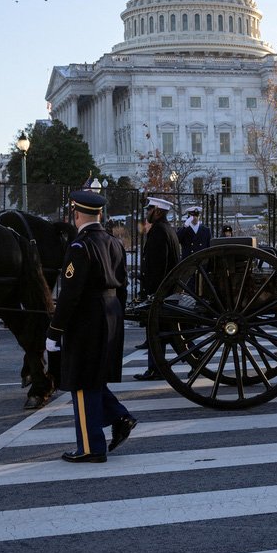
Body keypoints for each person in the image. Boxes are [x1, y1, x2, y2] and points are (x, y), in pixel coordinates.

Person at [45, 190, 135, 463]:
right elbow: (123, 286)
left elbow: (70, 295)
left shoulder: (79, 247)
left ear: (77, 214)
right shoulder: (113, 242)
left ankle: (91, 447)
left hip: (86, 319)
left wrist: (54, 331)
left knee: (81, 380)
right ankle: (119, 415)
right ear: (100, 214)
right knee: (93, 375)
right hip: (111, 314)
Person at [134, 197, 180, 381]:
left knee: (156, 332)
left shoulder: (159, 231)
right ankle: (156, 368)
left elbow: (156, 265)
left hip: (160, 290)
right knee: (162, 332)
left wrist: (149, 292)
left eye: (149, 210)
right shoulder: (168, 229)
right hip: (167, 289)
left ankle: (155, 368)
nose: (147, 214)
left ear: (158, 211)